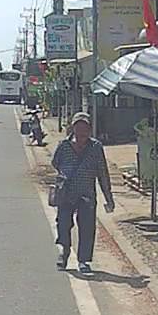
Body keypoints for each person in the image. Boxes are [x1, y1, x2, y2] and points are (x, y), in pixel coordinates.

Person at [51, 112, 115, 276]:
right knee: (63, 224)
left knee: (87, 227)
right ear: (73, 128)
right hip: (66, 193)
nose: (82, 131)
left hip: (87, 194)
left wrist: (108, 197)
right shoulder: (64, 145)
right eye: (79, 127)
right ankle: (64, 251)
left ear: (90, 129)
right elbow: (55, 163)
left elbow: (102, 172)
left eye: (85, 127)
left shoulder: (96, 147)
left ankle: (84, 260)